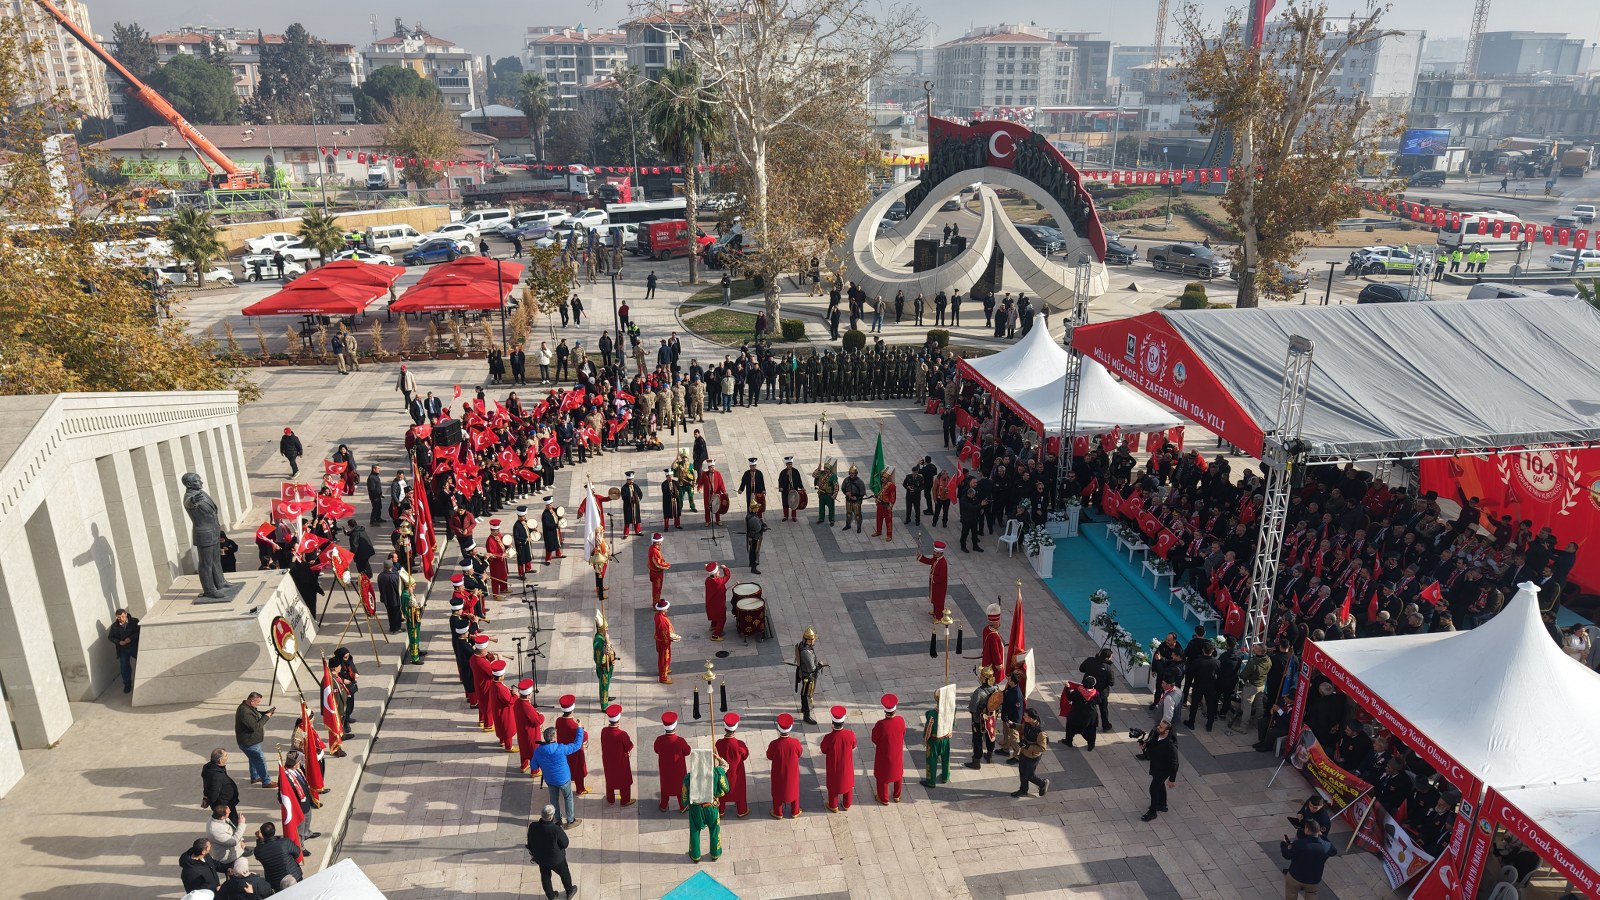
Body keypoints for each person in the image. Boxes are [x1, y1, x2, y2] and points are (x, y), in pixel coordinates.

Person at [531, 720, 586, 827]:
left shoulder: (538, 751)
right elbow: (577, 745)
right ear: (553, 738)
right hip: (564, 779)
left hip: (550, 780)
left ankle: (557, 820)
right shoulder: (560, 748)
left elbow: (533, 766)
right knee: (568, 798)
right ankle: (570, 820)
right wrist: (579, 729)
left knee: (553, 800)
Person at [682, 750, 731, 863]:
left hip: (696, 808)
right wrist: (718, 757)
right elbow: (726, 783)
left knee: (694, 831)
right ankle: (715, 854)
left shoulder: (689, 777)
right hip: (711, 807)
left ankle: (695, 856)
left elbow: (684, 798)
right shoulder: (716, 772)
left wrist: (686, 804)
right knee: (714, 830)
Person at [526, 804, 577, 899]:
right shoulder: (555, 829)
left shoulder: (533, 826)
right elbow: (565, 843)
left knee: (545, 877)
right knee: (564, 874)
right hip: (556, 860)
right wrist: (561, 830)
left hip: (541, 858)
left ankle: (551, 896)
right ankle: (569, 891)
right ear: (551, 817)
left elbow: (530, 841)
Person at [1281, 820, 1338, 899]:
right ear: (1318, 831)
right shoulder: (1326, 846)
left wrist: (1283, 844)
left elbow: (1286, 855)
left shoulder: (1299, 844)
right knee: (1312, 894)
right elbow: (1334, 851)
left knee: (1291, 893)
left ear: (1307, 829)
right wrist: (1322, 836)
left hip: (1295, 876)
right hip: (1313, 879)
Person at [1140, 720, 1180, 821]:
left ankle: (1153, 812)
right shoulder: (1157, 733)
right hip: (1156, 765)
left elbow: (1175, 763)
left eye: (1161, 727)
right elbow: (1153, 743)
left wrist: (1172, 779)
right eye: (1159, 726)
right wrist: (1146, 745)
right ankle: (1162, 804)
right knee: (1160, 785)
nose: (1158, 727)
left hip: (1163, 770)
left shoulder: (1170, 745)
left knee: (1153, 789)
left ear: (1166, 731)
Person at [820, 705, 857, 812]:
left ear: (832, 722)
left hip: (834, 766)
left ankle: (833, 805)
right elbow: (854, 745)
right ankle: (847, 804)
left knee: (833, 785)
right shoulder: (850, 734)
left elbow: (823, 749)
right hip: (846, 765)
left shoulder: (828, 737)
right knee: (848, 783)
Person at [869, 694, 907, 801]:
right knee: (898, 772)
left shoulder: (880, 725)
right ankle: (897, 795)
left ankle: (883, 798)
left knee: (882, 776)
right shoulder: (901, 720)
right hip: (897, 752)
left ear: (885, 711)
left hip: (884, 754)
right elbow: (903, 733)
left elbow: (874, 738)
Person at [767, 713, 804, 818]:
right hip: (792, 772)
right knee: (793, 789)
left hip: (778, 772)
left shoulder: (774, 744)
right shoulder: (795, 743)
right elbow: (800, 753)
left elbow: (769, 756)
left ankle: (778, 812)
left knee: (778, 790)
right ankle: (795, 811)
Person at [654, 712, 692, 812]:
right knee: (680, 789)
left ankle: (663, 806)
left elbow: (656, 749)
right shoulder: (680, 741)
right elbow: (687, 751)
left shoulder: (659, 740)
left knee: (665, 788)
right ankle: (683, 807)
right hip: (679, 770)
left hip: (665, 769)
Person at [234, 693, 274, 787]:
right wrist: (267, 717)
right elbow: (255, 727)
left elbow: (255, 716)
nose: (258, 704)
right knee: (260, 760)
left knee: (253, 759)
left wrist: (265, 713)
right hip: (249, 742)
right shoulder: (244, 712)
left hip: (252, 741)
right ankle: (266, 782)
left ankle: (255, 777)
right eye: (257, 702)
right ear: (252, 701)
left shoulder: (247, 707)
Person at [715, 713, 751, 818]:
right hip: (737, 772)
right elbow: (745, 756)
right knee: (739, 790)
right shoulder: (740, 744)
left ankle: (721, 810)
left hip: (723, 773)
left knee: (722, 789)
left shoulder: (718, 743)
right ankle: (742, 810)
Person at [965, 666, 1001, 769]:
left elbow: (972, 708)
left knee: (977, 739)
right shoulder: (996, 688)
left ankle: (976, 761)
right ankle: (989, 756)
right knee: (990, 735)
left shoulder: (979, 692)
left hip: (978, 720)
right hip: (991, 717)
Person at [1011, 708, 1049, 798]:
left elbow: (1042, 748)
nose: (1024, 717)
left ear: (1032, 718)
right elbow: (1021, 727)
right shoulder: (1028, 724)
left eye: (1026, 716)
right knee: (1022, 773)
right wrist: (1013, 725)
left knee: (1029, 775)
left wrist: (1028, 747)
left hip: (1033, 757)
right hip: (1024, 753)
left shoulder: (1040, 732)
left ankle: (1042, 783)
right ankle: (1023, 790)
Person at [600, 704, 634, 806]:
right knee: (624, 781)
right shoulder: (622, 734)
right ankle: (625, 800)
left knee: (609, 778)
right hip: (620, 762)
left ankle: (610, 799)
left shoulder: (604, 731)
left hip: (608, 761)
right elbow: (629, 746)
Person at [252, 822, 302, 890]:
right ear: (274, 831)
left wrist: (260, 840)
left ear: (262, 834)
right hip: (295, 876)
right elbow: (297, 853)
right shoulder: (285, 842)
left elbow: (258, 854)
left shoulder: (259, 850)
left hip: (276, 883)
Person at [1079, 649, 1116, 732]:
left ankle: (1085, 723)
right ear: (1107, 658)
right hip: (1101, 693)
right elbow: (1111, 683)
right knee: (1103, 709)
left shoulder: (1090, 660)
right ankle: (1105, 725)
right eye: (1111, 657)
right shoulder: (1108, 668)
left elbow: (1081, 669)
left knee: (1087, 708)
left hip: (1088, 690)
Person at [201, 748, 241, 825]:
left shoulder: (212, 767)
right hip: (224, 805)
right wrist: (219, 807)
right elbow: (214, 793)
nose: (227, 756)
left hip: (226, 803)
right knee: (232, 822)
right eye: (225, 756)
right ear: (219, 760)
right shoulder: (216, 776)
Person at [206, 802, 247, 873]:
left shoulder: (219, 818)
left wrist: (241, 840)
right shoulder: (215, 830)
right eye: (228, 812)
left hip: (235, 853)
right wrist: (241, 824)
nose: (230, 812)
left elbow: (232, 828)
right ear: (222, 816)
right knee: (235, 876)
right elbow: (233, 842)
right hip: (229, 859)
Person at [794, 626, 824, 724]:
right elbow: (812, 668)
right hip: (808, 676)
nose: (814, 640)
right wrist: (819, 666)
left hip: (805, 673)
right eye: (812, 639)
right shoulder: (806, 652)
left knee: (804, 693)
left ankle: (803, 708)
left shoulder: (803, 646)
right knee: (806, 695)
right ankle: (806, 715)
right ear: (808, 640)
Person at [1061, 677, 1100, 750]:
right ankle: (1091, 745)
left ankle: (1068, 741)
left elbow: (1069, 697)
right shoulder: (1096, 693)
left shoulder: (1078, 691)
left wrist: (1067, 688)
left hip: (1076, 714)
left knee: (1070, 727)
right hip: (1090, 716)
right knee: (1091, 730)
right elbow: (1099, 701)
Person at [107, 608, 140, 693]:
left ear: (125, 614)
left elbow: (139, 631)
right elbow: (110, 637)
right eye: (118, 617)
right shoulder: (114, 626)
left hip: (134, 646)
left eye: (122, 616)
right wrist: (119, 642)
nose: (121, 619)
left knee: (142, 661)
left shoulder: (134, 621)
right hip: (123, 649)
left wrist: (130, 638)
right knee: (124, 666)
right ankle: (127, 684)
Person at [916, 540, 949, 620]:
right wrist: (921, 557)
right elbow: (930, 561)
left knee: (939, 601)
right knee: (934, 599)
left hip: (939, 586)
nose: (934, 554)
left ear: (940, 553)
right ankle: (935, 612)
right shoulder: (936, 558)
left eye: (936, 552)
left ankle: (939, 617)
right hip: (934, 584)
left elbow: (942, 577)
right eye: (934, 552)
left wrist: (933, 576)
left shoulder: (943, 563)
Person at [653, 599, 680, 683]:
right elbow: (665, 634)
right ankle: (663, 677)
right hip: (664, 643)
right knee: (664, 659)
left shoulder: (657, 615)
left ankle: (665, 669)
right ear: (663, 609)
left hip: (660, 640)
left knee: (663, 658)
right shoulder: (663, 621)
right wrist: (669, 640)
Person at [704, 562, 731, 640]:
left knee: (714, 615)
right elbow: (727, 576)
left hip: (711, 603)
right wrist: (725, 568)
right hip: (718, 604)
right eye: (718, 571)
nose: (719, 572)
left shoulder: (708, 580)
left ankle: (713, 625)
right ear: (715, 574)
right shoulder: (719, 582)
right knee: (722, 619)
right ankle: (716, 635)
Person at [743, 501, 769, 574]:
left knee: (752, 551)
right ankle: (753, 567)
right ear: (754, 508)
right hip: (756, 537)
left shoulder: (750, 515)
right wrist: (764, 527)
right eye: (757, 507)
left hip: (752, 536)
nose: (758, 508)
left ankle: (752, 564)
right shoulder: (753, 518)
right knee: (755, 552)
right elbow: (758, 528)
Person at [840, 464, 866, 532]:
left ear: (856, 474)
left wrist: (857, 498)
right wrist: (846, 493)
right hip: (848, 500)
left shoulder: (860, 482)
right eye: (850, 473)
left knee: (857, 515)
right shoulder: (846, 480)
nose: (851, 475)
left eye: (853, 473)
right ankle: (848, 525)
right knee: (848, 513)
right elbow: (843, 488)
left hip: (857, 501)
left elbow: (862, 492)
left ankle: (859, 527)